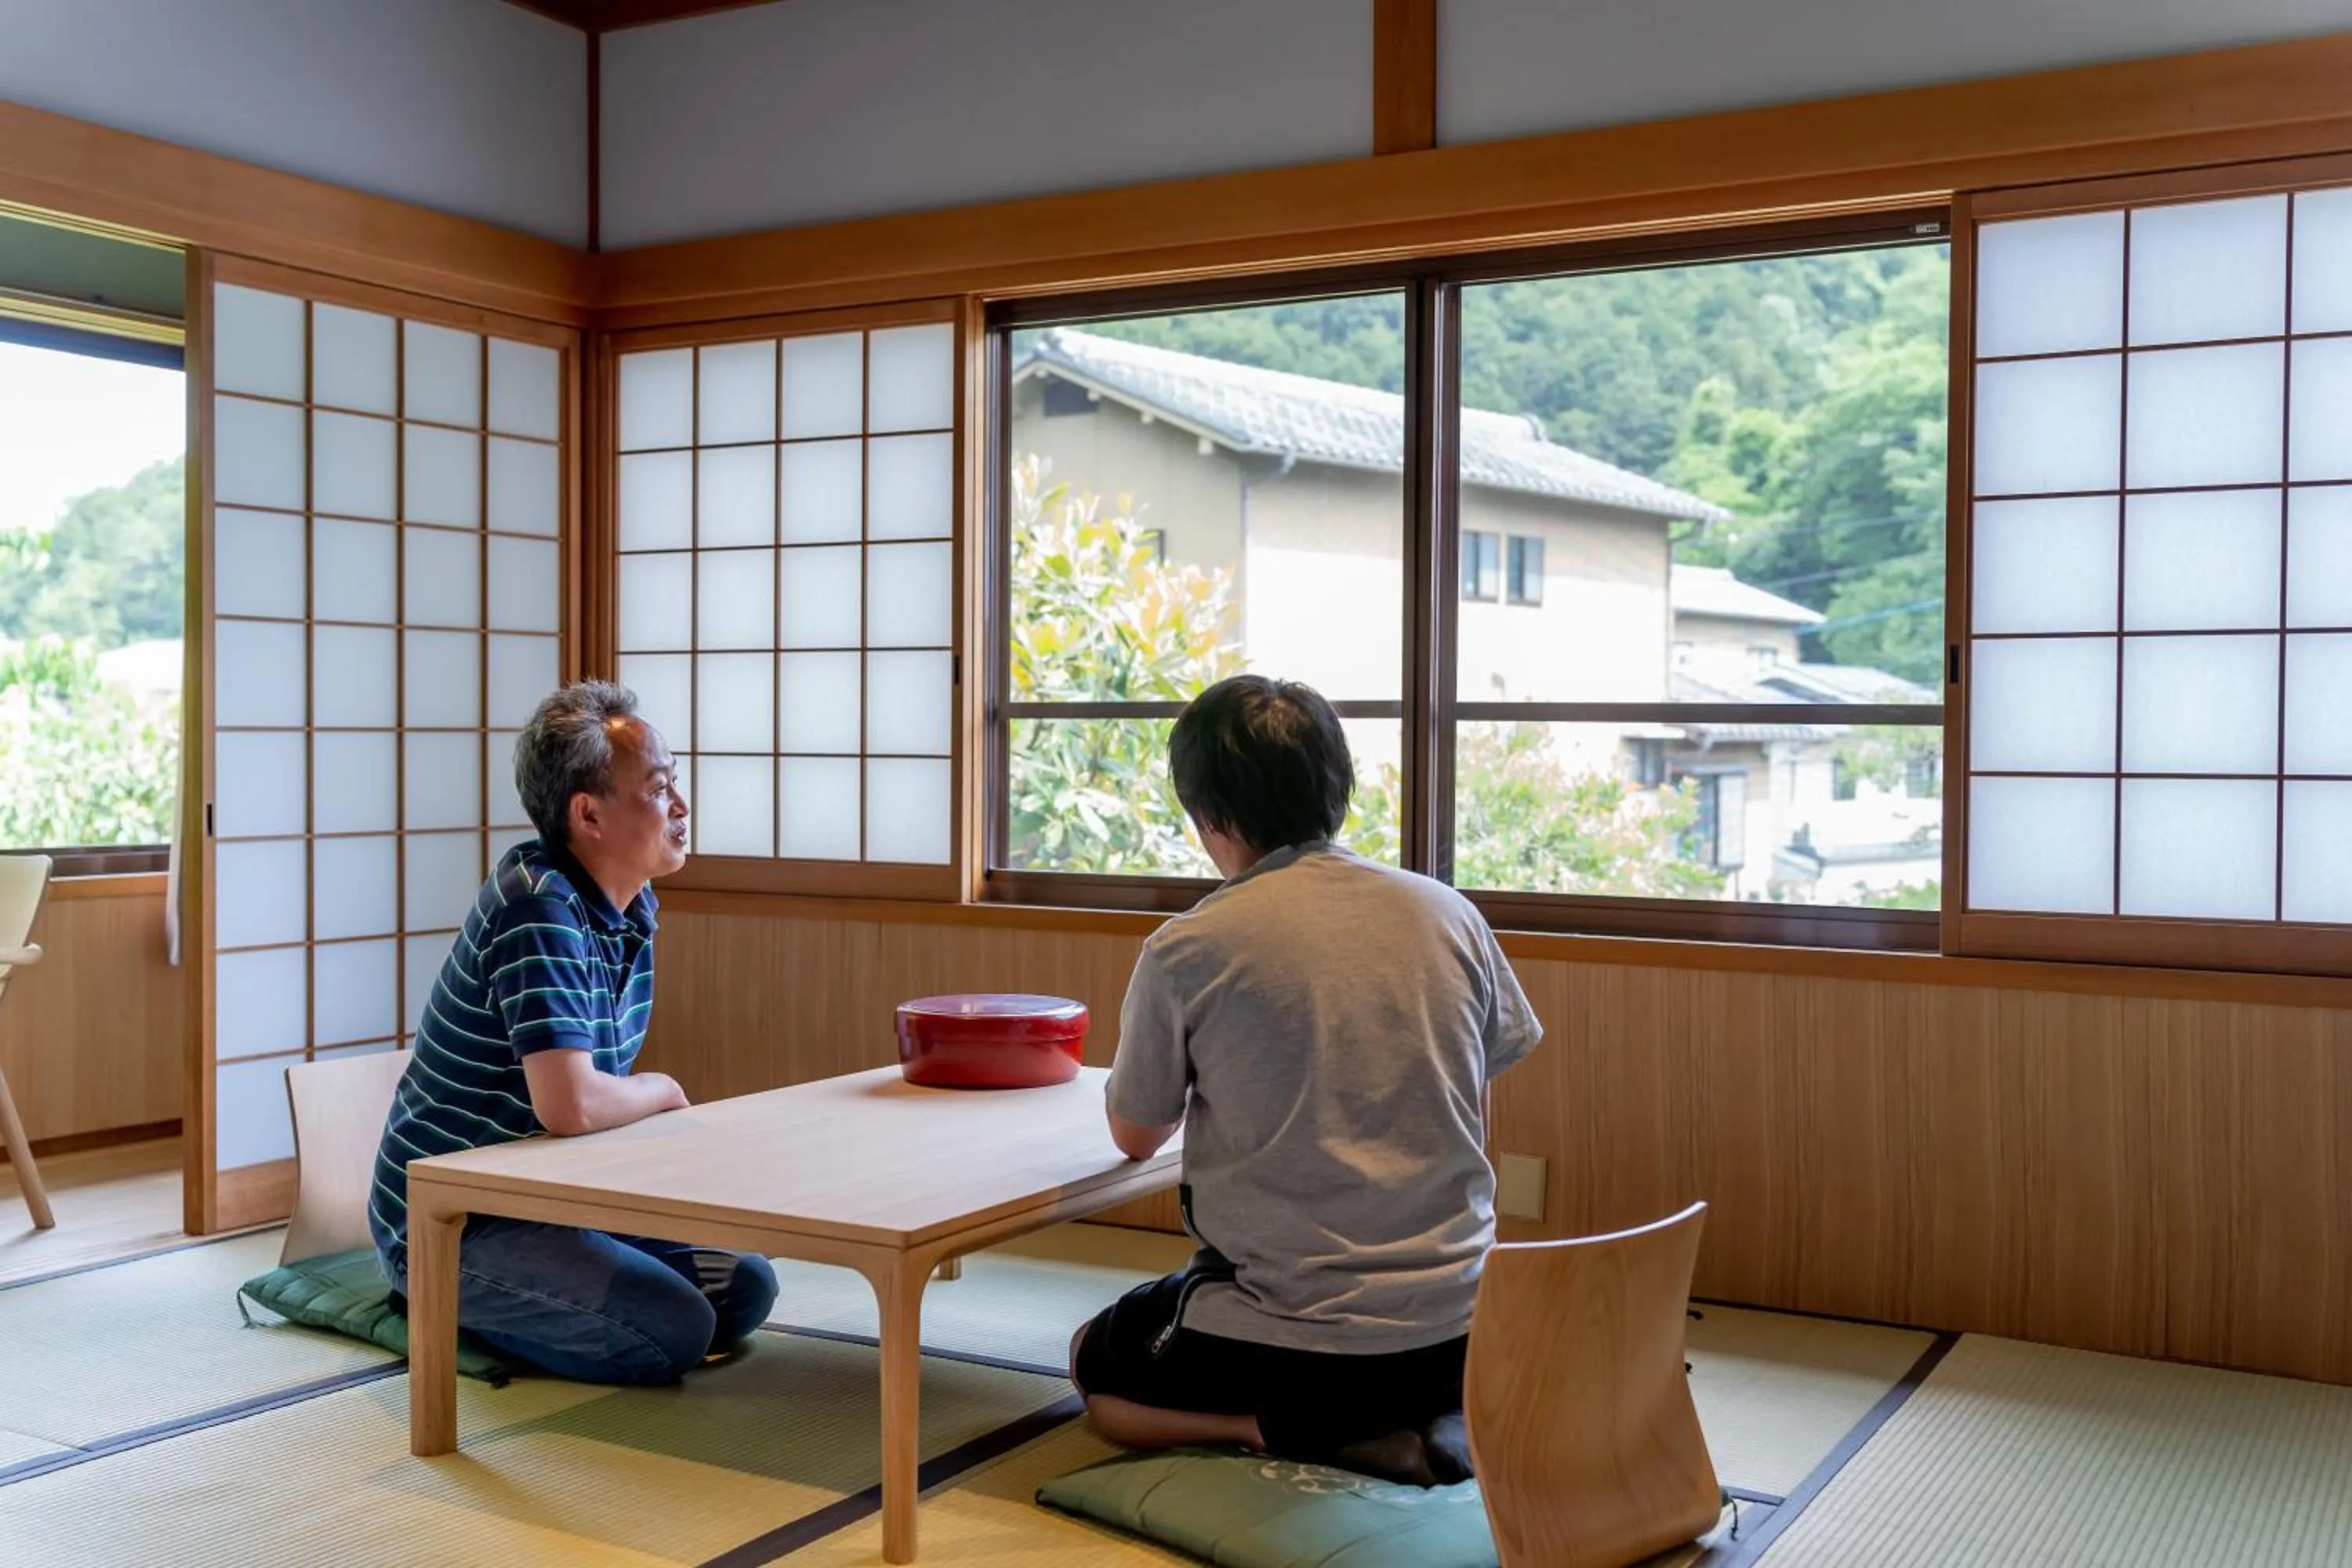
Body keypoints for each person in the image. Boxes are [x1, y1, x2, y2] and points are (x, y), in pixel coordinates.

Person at [1069, 674, 1542, 1486]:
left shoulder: (1191, 944)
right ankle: (1430, 1415)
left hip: (1304, 1344)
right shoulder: (1448, 911)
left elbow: (1136, 1133)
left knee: (1097, 1372)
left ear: (1209, 813)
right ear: (1338, 789)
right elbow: (1476, 1108)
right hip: (1466, 1322)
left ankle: (1272, 1429)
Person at [368, 681, 779, 1385]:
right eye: (657, 790)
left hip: (551, 1194)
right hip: (459, 1218)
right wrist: (665, 1088)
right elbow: (574, 1106)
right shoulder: (538, 908)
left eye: (674, 783)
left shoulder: (629, 902)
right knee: (676, 1329)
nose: (680, 807)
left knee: (744, 1284)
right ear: (588, 814)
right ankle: (445, 1300)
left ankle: (550, 1291)